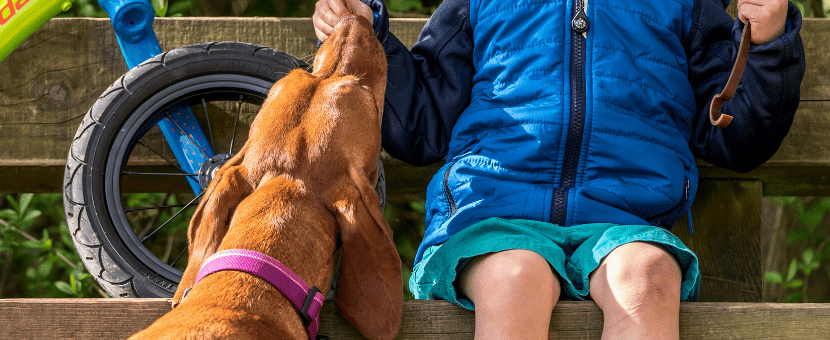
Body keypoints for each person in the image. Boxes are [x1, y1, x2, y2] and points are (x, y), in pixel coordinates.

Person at [312, 0, 804, 338]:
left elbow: (737, 137)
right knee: (515, 276)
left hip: (627, 221)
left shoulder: (686, 6)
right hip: (493, 213)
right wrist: (366, 36)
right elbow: (420, 123)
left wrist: (766, 42)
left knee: (648, 274)